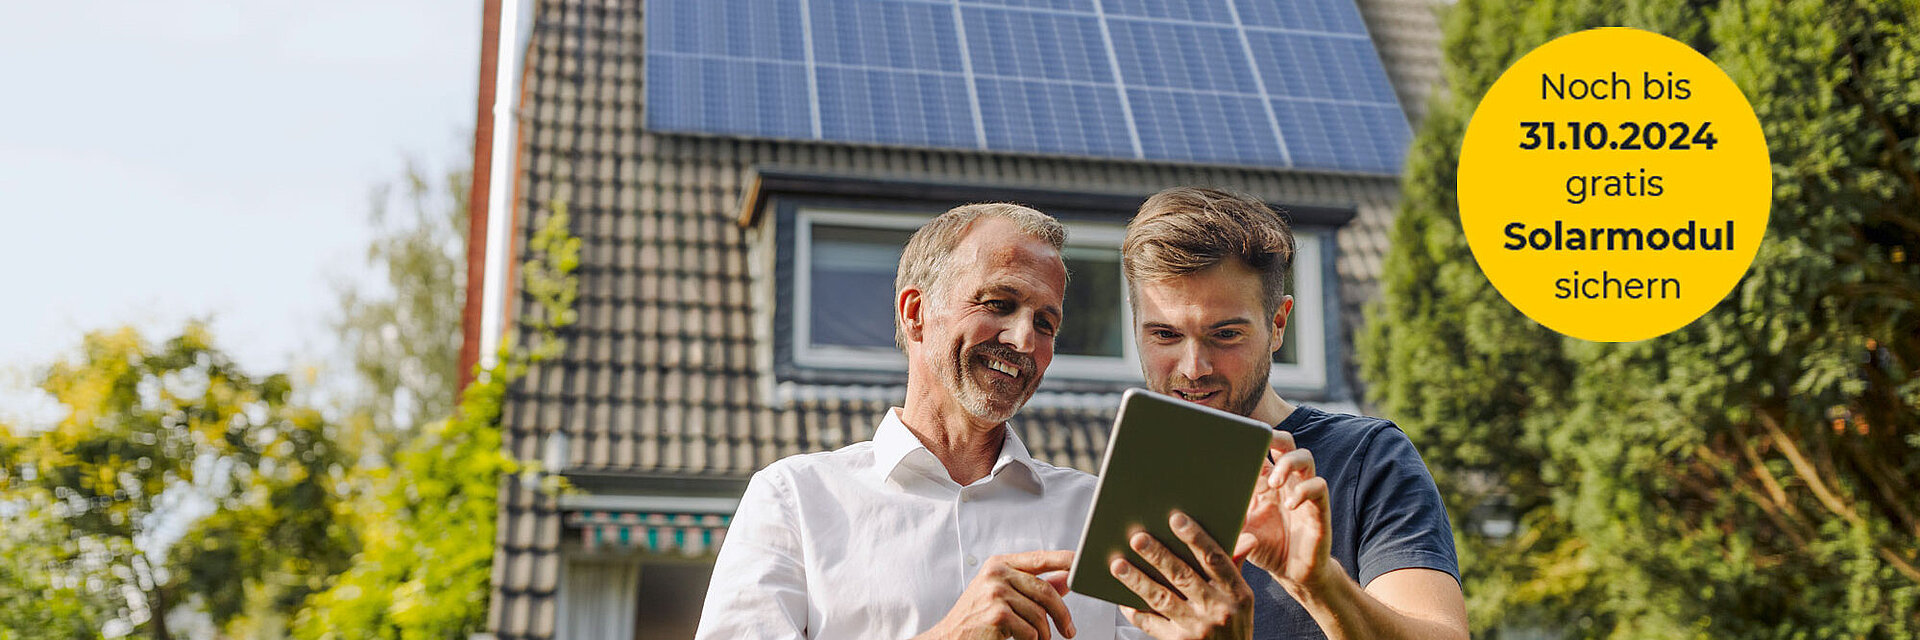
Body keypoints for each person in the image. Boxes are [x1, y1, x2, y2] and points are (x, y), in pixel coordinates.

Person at [694, 203, 1247, 640]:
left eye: (1046, 322)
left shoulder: (1103, 518)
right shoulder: (795, 500)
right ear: (915, 314)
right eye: (998, 303)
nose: (1024, 339)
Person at [1110, 187, 1468, 640]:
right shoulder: (1114, 483)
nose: (1192, 367)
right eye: (1164, 334)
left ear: (1277, 324)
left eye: (1225, 334)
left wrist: (1318, 584)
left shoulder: (1367, 459)